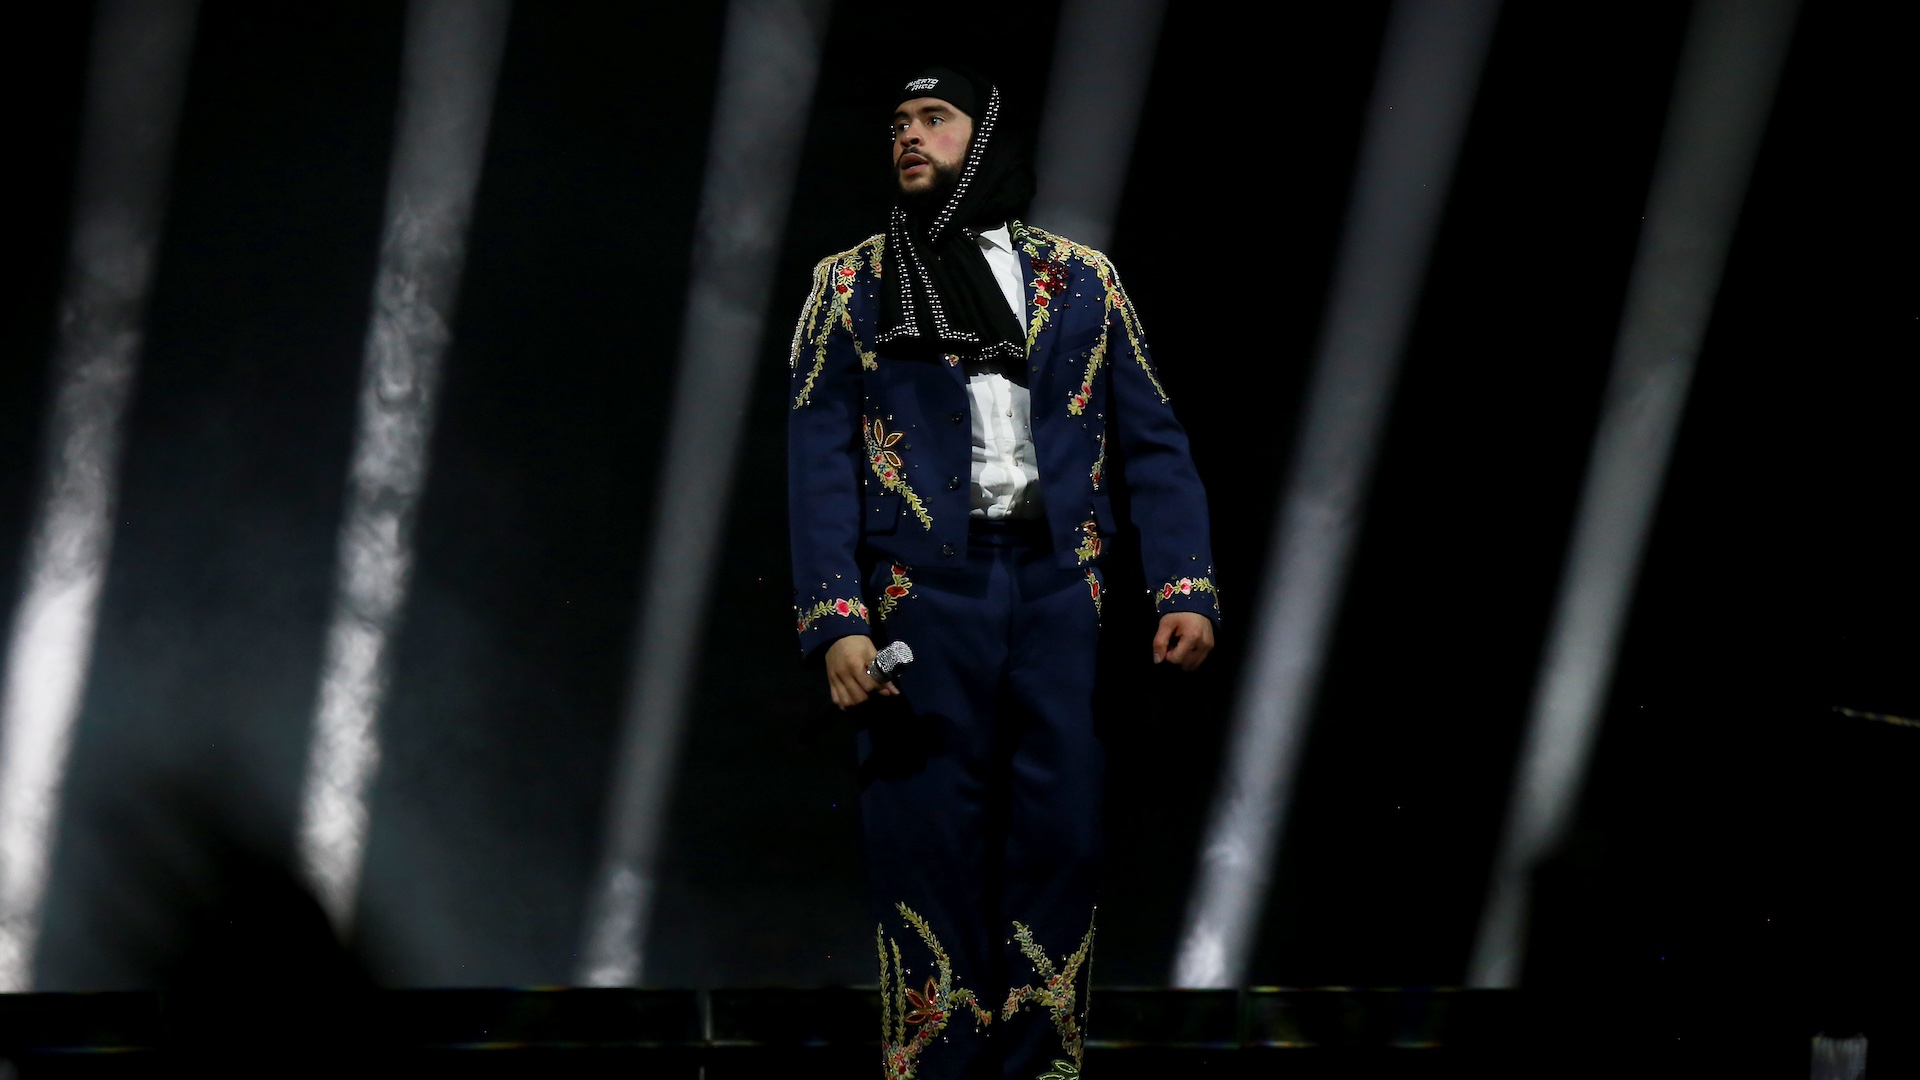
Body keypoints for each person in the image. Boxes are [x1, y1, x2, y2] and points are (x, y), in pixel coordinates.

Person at [786, 65, 1217, 1080]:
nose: (908, 135)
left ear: (983, 139)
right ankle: (934, 1069)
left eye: (933, 119)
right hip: (923, 596)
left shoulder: (1085, 279)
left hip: (1063, 592)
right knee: (927, 839)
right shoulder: (850, 282)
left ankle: (1040, 1070)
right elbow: (817, 461)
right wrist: (838, 620)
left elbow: (1153, 439)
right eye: (896, 122)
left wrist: (1184, 584)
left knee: (1061, 838)